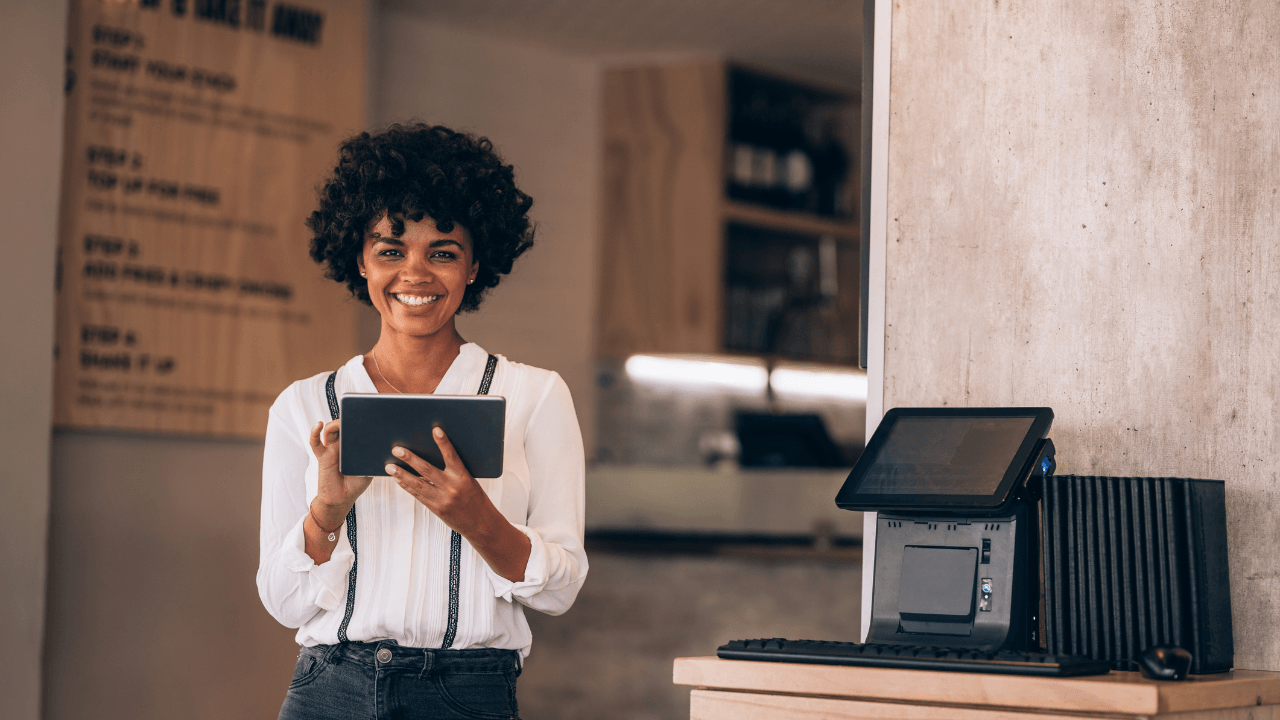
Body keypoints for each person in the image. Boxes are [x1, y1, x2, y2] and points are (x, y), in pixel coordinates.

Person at [257, 124, 587, 720]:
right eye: (390, 250)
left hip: (467, 694)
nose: (416, 274)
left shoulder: (534, 397)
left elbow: (562, 589)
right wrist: (326, 513)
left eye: (442, 252)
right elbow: (283, 604)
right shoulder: (302, 406)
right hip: (328, 691)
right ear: (360, 259)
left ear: (474, 265)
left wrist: (478, 519)